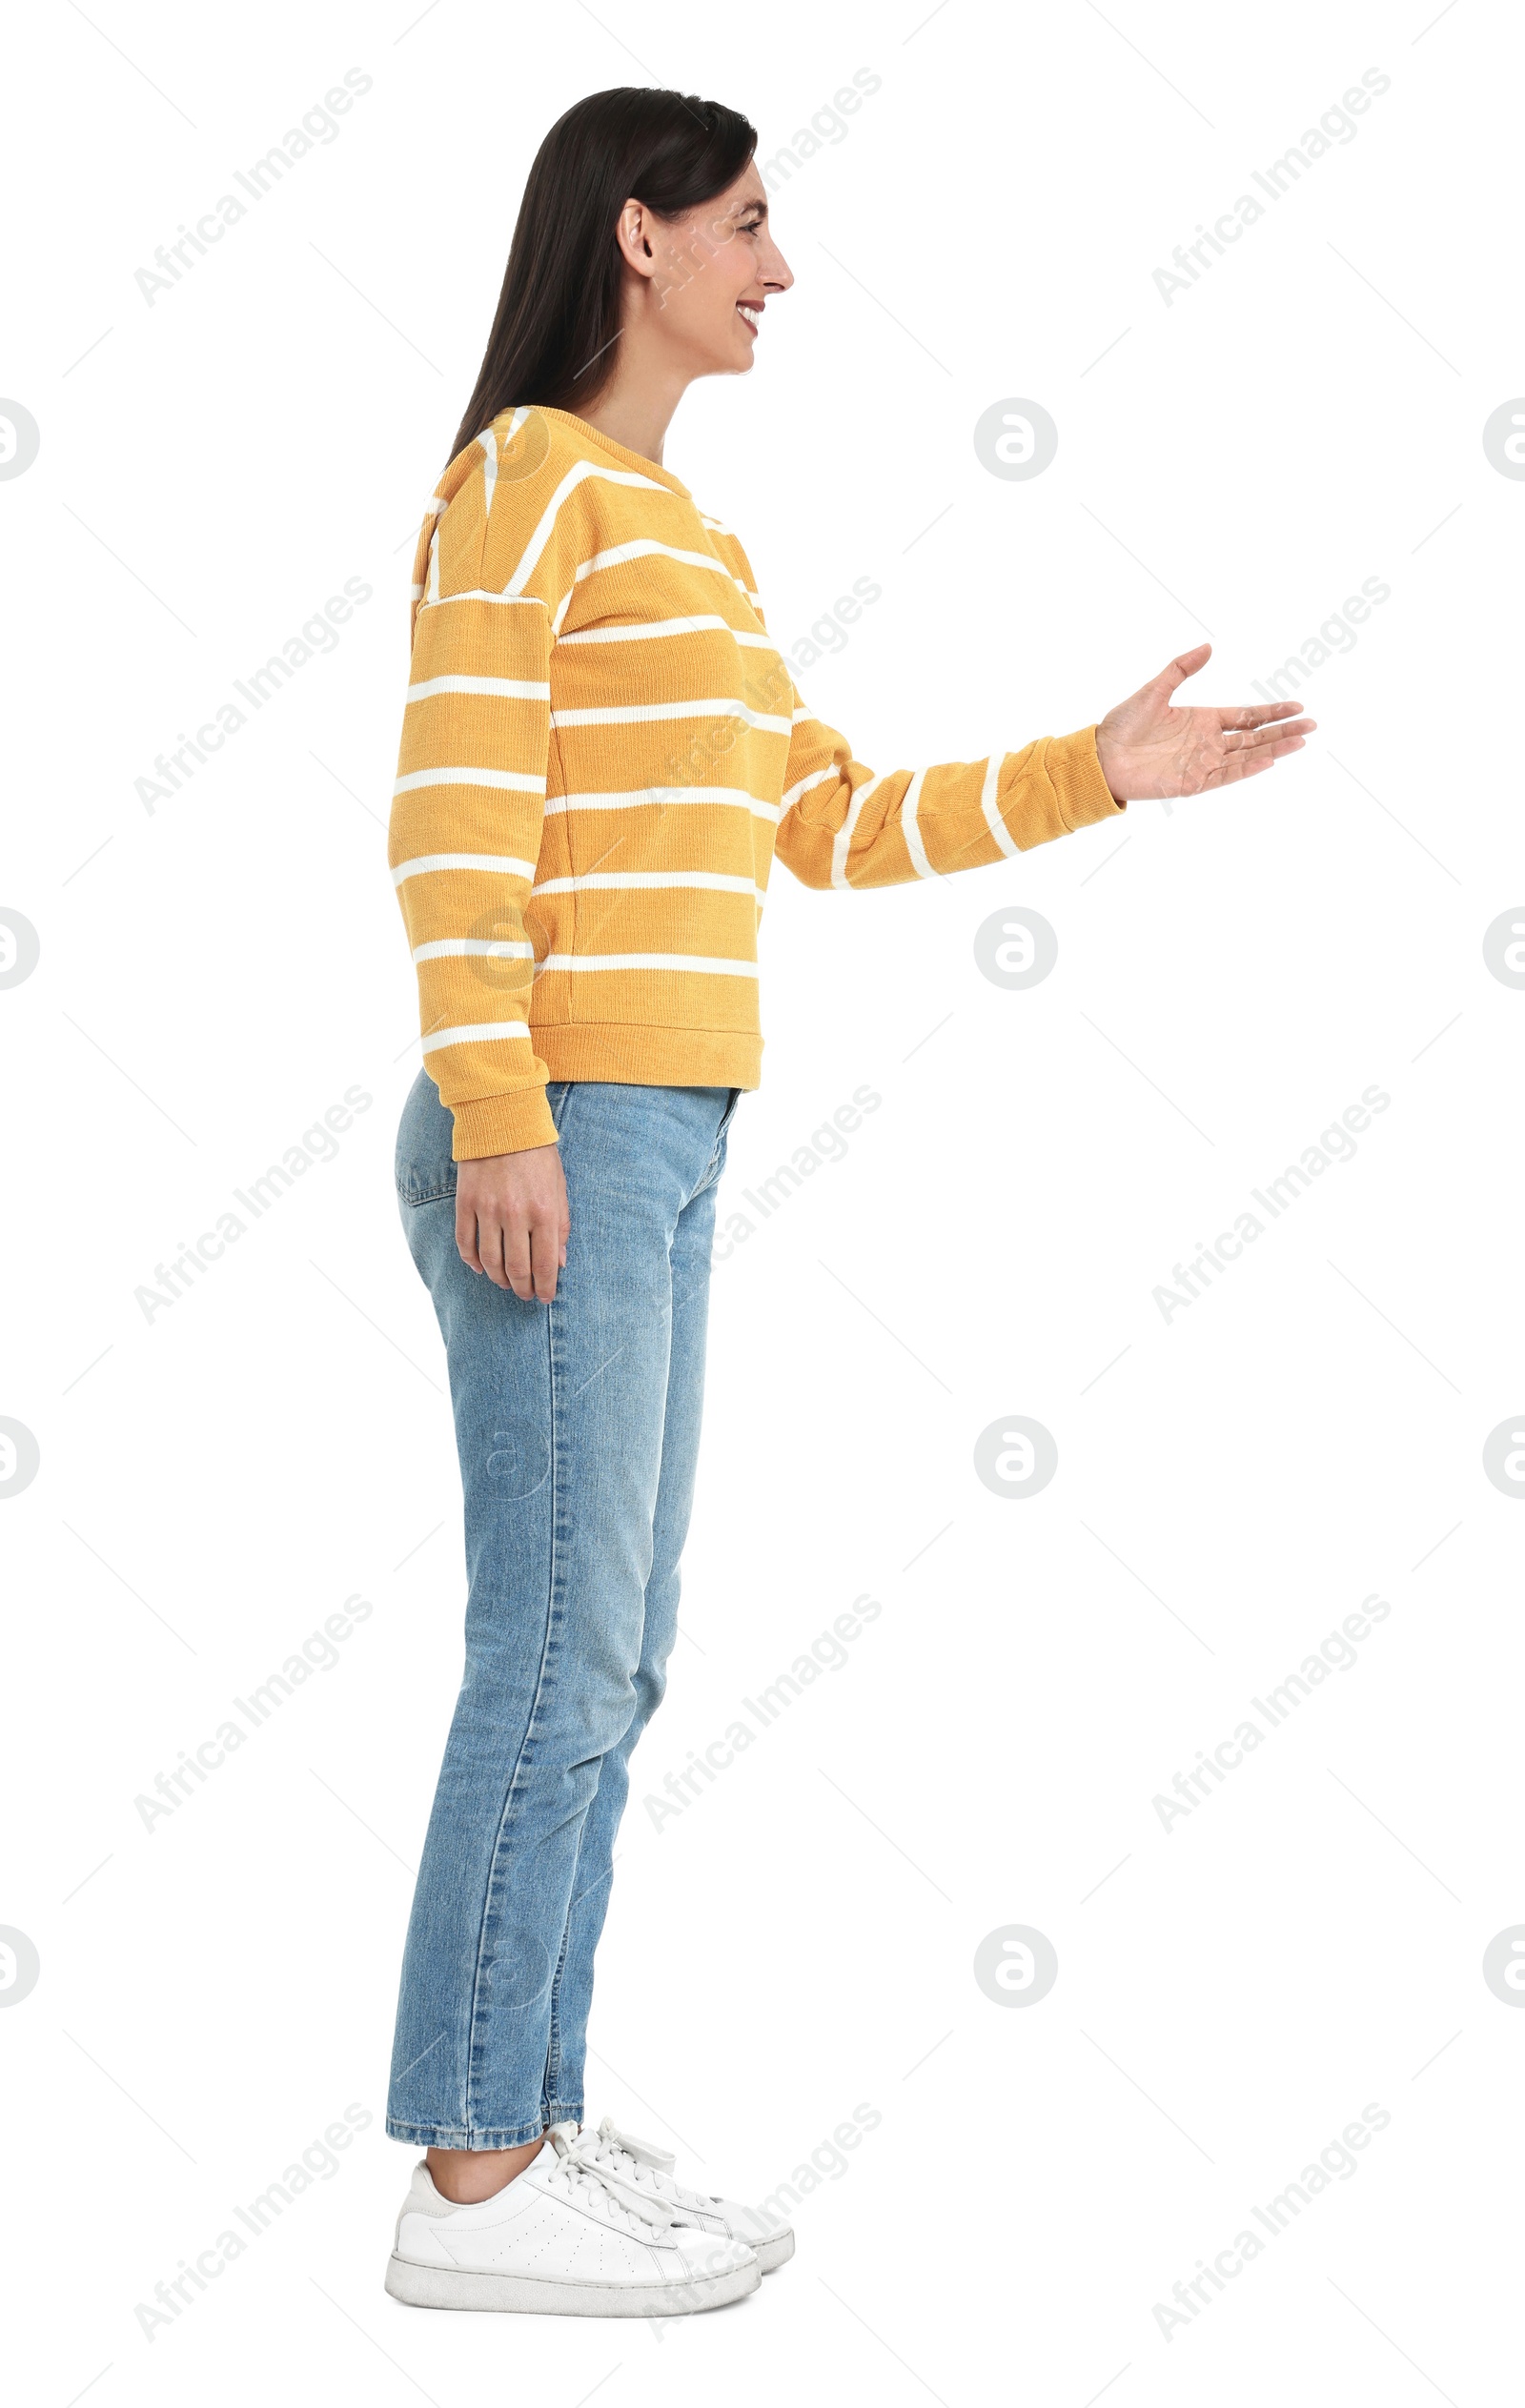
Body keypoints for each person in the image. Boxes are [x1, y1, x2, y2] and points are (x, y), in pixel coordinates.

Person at [381, 85, 1315, 2320]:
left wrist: (1093, 774)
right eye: (746, 223)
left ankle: (532, 2115)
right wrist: (501, 1102)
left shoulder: (683, 542)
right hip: (564, 1117)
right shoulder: (524, 481)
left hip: (668, 1121)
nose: (777, 267)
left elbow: (820, 822)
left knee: (611, 1650)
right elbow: (443, 807)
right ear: (635, 237)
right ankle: (474, 2180)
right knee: (551, 1654)